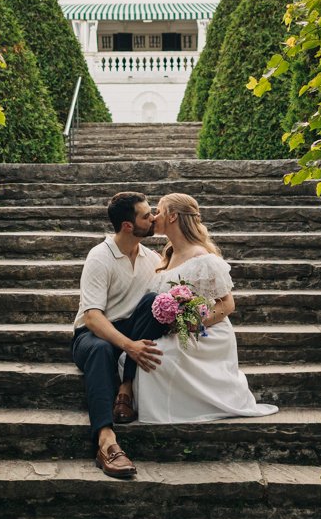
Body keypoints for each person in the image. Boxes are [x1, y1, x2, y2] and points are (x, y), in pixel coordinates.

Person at [131, 192, 278, 424]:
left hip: (206, 332)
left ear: (173, 216)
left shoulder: (202, 257)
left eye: (159, 210)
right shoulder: (166, 256)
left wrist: (194, 323)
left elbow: (227, 304)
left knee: (159, 357)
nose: (154, 216)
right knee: (145, 352)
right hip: (175, 329)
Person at [69, 191, 171, 479]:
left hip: (130, 330)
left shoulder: (152, 258)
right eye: (146, 215)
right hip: (92, 335)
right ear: (128, 225)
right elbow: (91, 316)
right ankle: (106, 441)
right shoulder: (100, 256)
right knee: (101, 350)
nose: (153, 218)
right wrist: (130, 347)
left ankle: (125, 387)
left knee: (156, 301)